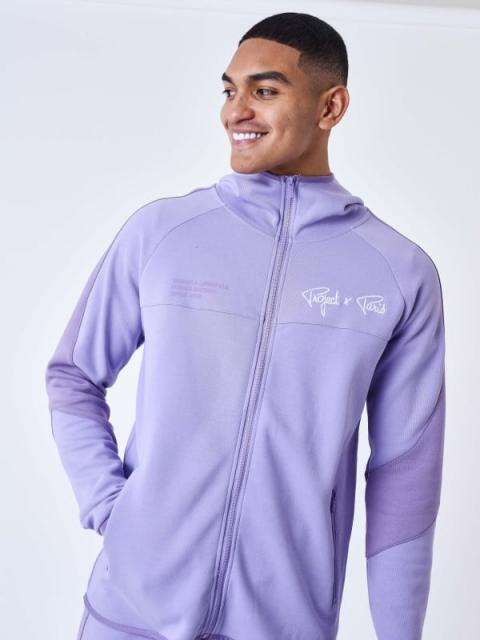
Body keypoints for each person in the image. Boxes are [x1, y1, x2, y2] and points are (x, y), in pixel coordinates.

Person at [45, 11, 446, 640]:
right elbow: (73, 375)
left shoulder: (396, 272)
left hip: (285, 623)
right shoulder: (164, 234)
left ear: (331, 106)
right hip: (131, 617)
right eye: (230, 90)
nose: (236, 111)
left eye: (265, 90)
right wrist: (111, 508)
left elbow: (405, 473)